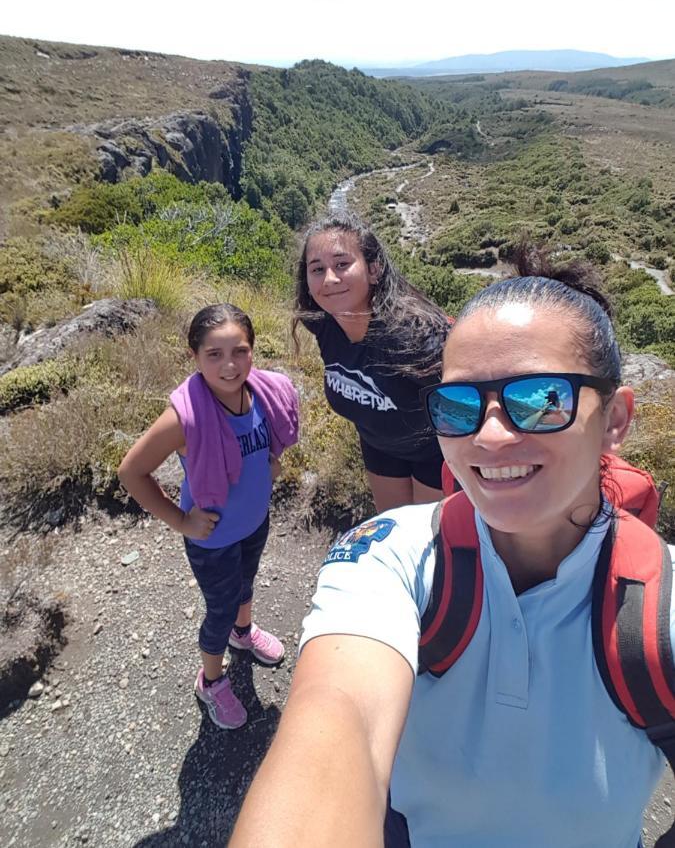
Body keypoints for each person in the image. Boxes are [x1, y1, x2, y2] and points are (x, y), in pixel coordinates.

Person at [230, 247, 673, 846]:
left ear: (615, 419)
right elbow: (340, 716)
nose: (489, 437)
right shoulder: (391, 558)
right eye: (460, 405)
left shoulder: (659, 606)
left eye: (542, 400)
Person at [118, 303, 298, 730]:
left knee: (246, 585)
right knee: (219, 609)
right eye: (214, 355)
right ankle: (211, 680)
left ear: (252, 351)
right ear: (194, 358)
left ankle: (244, 633)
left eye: (239, 351)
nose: (229, 365)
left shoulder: (262, 394)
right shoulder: (185, 418)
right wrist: (181, 522)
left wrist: (271, 465)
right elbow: (131, 472)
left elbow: (264, 445)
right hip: (212, 538)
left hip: (253, 522)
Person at [293, 212, 451, 512]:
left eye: (342, 264)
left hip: (435, 453)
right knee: (393, 533)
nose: (329, 279)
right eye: (317, 269)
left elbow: (465, 401)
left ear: (374, 269)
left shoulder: (413, 336)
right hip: (379, 448)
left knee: (430, 546)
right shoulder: (324, 325)